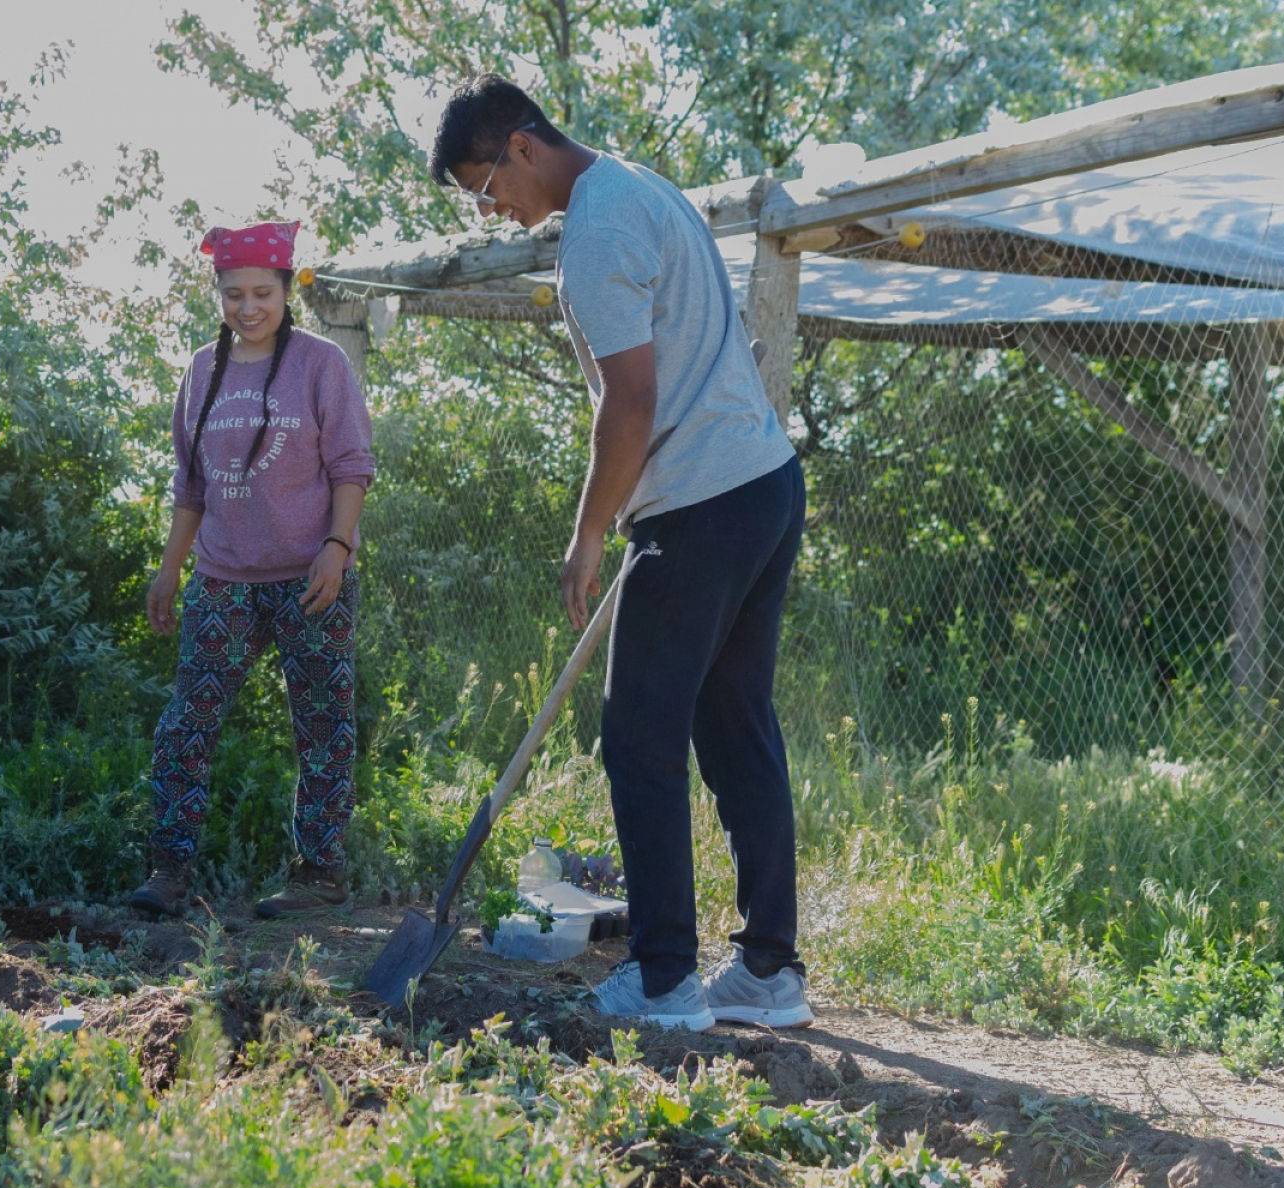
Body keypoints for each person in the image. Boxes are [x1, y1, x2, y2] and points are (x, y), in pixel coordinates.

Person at [427, 76, 812, 1030]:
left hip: (700, 504)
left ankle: (665, 978)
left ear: (520, 145)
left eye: (483, 188)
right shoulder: (638, 184)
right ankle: (767, 973)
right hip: (763, 483)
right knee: (735, 728)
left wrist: (591, 530)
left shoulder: (594, 234)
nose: (493, 212)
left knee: (640, 736)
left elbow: (629, 403)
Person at [130, 220, 376, 920]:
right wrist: (169, 570)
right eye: (233, 293)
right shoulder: (201, 371)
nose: (247, 307)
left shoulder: (321, 363)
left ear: (284, 290)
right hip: (224, 580)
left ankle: (319, 872)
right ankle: (170, 869)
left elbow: (352, 466)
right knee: (187, 723)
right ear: (217, 294)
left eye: (261, 293)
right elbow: (191, 486)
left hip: (311, 577)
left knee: (323, 723)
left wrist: (338, 546)